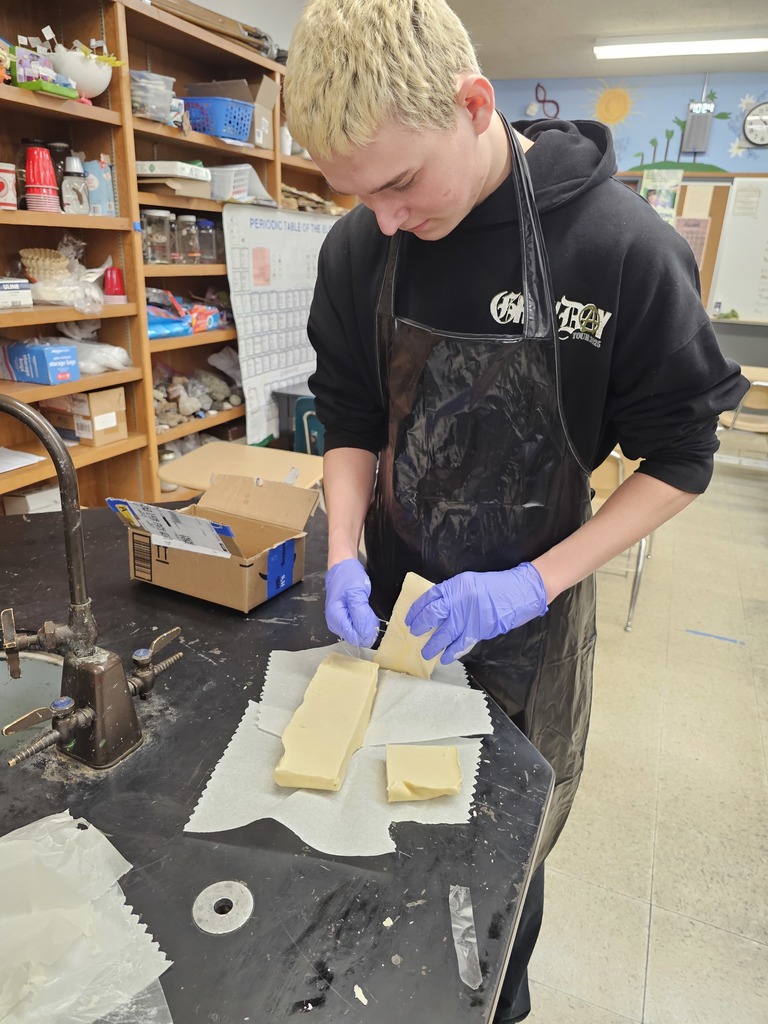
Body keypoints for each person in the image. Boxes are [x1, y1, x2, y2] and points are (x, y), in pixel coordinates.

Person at [283, 2, 748, 1020]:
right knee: (372, 848)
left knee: (496, 882)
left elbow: (684, 457)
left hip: (529, 621)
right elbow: (353, 420)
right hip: (399, 602)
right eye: (356, 196)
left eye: (400, 183)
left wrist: (530, 584)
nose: (385, 218)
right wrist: (351, 550)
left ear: (475, 104)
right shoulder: (364, 246)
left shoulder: (620, 249)